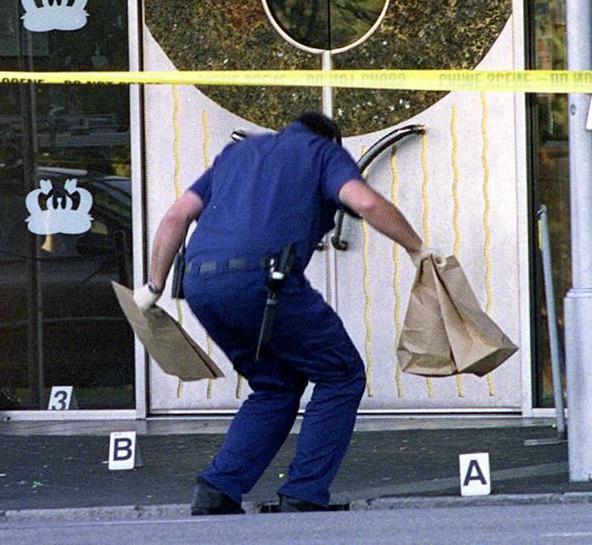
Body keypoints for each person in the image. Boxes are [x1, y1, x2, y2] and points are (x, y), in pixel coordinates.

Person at [134, 111, 429, 515]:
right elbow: (366, 201)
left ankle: (218, 489)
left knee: (275, 384)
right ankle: (304, 493)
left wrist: (153, 286)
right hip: (264, 282)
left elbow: (175, 217)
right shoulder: (324, 153)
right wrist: (417, 249)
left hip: (200, 285)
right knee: (340, 374)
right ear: (333, 141)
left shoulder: (236, 154)